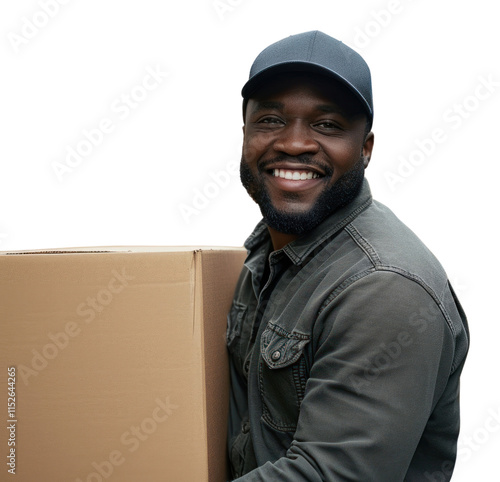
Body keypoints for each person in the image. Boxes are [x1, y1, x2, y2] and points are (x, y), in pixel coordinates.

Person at [226, 30, 469, 481]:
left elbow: (332, 474)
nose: (294, 143)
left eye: (328, 125)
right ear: (245, 134)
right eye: (271, 120)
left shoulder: (384, 287)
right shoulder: (265, 252)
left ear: (366, 148)